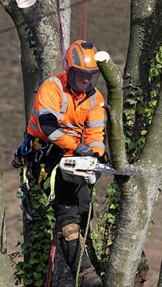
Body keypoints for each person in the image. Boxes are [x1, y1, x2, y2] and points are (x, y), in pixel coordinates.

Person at [21, 39, 106, 287]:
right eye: (81, 74)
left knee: (82, 209)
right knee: (67, 212)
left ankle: (82, 253)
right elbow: (48, 128)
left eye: (91, 75)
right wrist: (77, 147)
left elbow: (96, 134)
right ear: (69, 70)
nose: (86, 80)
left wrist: (95, 159)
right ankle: (86, 274)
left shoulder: (95, 98)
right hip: (46, 156)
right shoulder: (53, 88)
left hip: (75, 159)